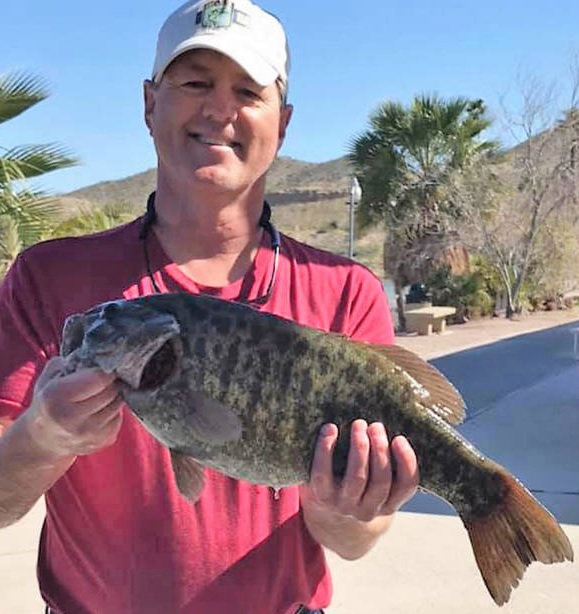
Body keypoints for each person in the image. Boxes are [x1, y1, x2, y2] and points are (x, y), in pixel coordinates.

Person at [0, 1, 419, 612]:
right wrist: (44, 434)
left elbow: (352, 542)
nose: (220, 109)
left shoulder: (346, 291)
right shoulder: (50, 277)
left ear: (285, 121)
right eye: (195, 82)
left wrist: (349, 510)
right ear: (149, 103)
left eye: (248, 90)